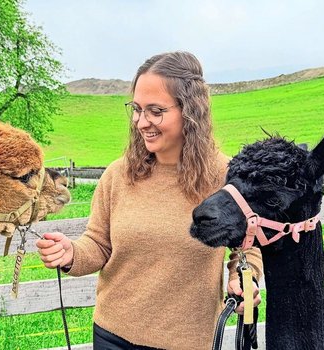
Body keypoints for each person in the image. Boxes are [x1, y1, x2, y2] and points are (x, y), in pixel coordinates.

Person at [36, 51, 263, 349]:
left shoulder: (225, 177)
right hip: (112, 335)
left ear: (190, 111)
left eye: (155, 111)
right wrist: (71, 254)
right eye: (137, 109)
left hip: (189, 341)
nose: (142, 122)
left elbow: (248, 248)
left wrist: (244, 279)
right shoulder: (119, 174)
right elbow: (99, 243)